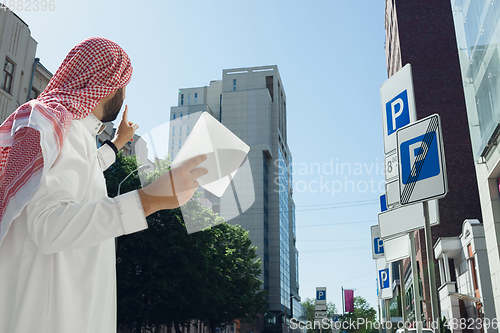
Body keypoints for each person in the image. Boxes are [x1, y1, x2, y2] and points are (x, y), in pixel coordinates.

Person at [0, 37, 206, 332]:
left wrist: (116, 143)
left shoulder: (71, 130)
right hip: (47, 317)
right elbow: (48, 226)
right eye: (122, 84)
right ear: (104, 83)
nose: (123, 94)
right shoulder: (57, 123)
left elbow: (82, 172)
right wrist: (150, 200)